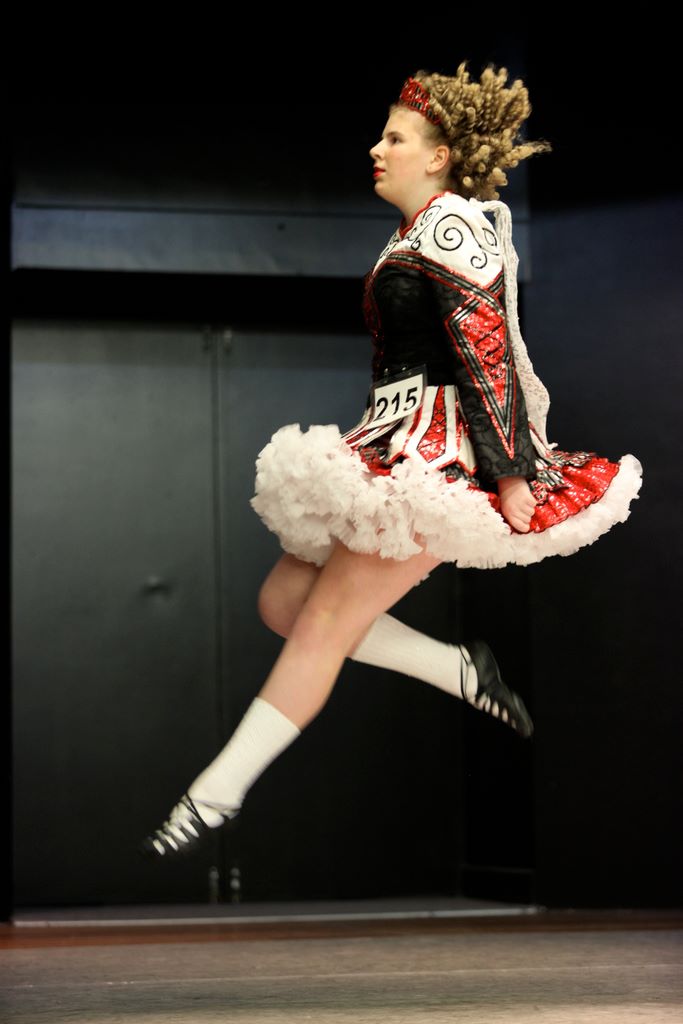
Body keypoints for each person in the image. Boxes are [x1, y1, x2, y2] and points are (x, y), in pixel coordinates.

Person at [141, 62, 642, 857]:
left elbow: (486, 352)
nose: (377, 150)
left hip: (434, 458)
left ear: (438, 156)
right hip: (392, 440)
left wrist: (508, 471)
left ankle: (213, 796)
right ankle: (459, 671)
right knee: (285, 602)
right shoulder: (413, 232)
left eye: (395, 139)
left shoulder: (452, 225)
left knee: (323, 625)